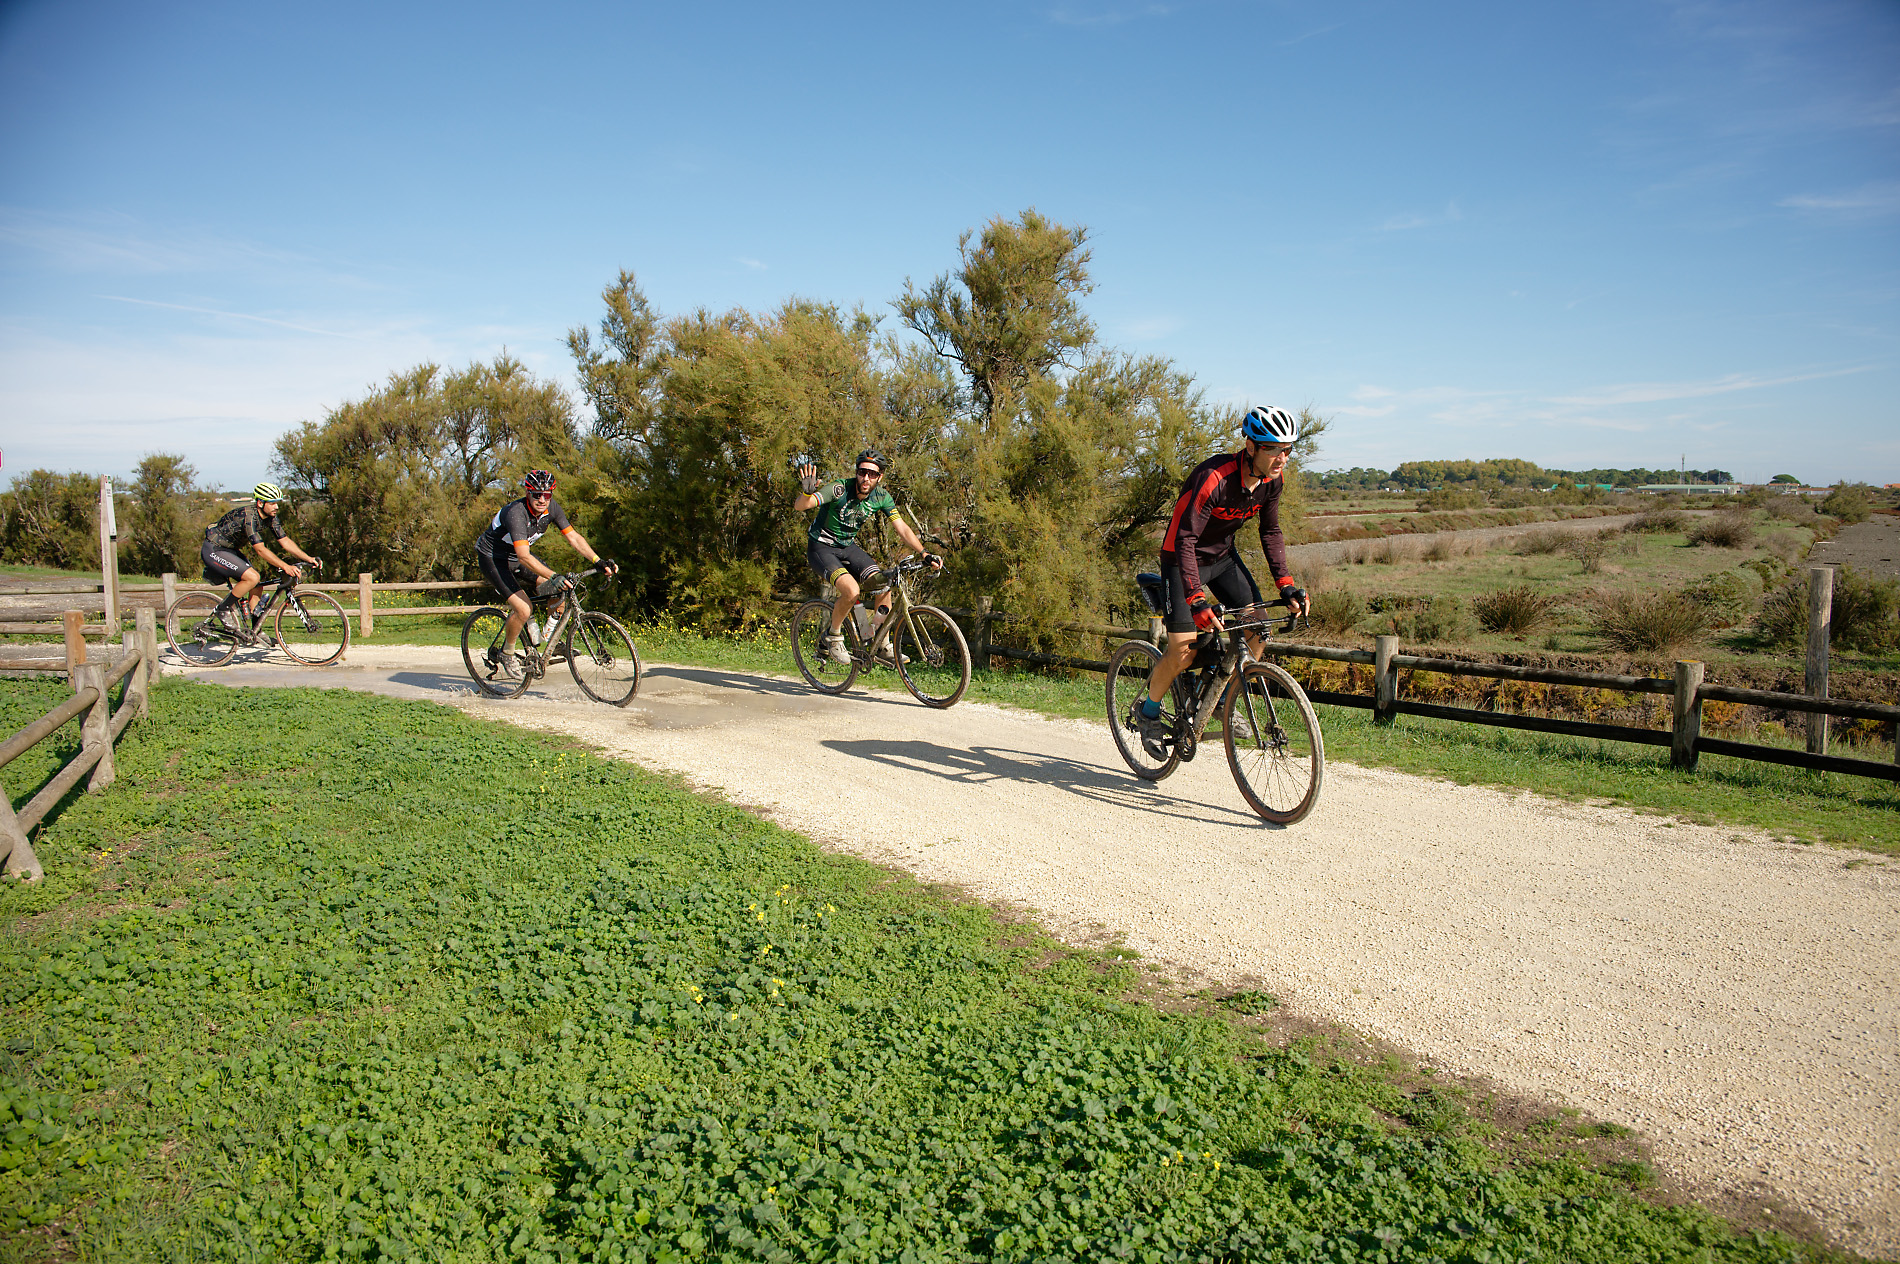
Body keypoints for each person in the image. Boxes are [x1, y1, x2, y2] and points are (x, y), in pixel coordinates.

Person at [1137, 406, 1310, 742]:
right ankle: (1148, 711)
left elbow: (1270, 531)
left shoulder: (1272, 481)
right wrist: (1196, 599)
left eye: (1287, 450)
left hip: (1222, 558)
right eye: (1273, 449)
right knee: (1182, 652)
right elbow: (1185, 539)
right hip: (1181, 558)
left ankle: (1217, 695)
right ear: (1251, 446)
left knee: (1258, 630)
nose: (1282, 458)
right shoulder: (1214, 477)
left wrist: (1286, 585)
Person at [793, 449, 940, 665]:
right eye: (862, 472)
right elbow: (801, 506)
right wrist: (805, 494)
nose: (866, 478)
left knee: (884, 583)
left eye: (872, 474)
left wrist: (923, 552)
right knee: (852, 591)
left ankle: (879, 642)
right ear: (857, 472)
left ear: (880, 477)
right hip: (821, 548)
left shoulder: (881, 497)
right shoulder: (838, 488)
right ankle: (832, 636)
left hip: (847, 547)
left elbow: (902, 528)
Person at [473, 469, 617, 681]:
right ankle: (507, 653)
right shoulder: (516, 513)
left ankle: (549, 639)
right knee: (523, 608)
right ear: (527, 493)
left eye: (547, 495)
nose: (542, 499)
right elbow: (523, 556)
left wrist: (598, 560)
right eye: (536, 494)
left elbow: (574, 538)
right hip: (494, 559)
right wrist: (552, 575)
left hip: (518, 557)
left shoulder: (552, 509)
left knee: (562, 589)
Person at [200, 482, 321, 640]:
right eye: (272, 503)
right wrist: (285, 566)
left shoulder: (270, 518)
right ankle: (222, 610)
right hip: (214, 549)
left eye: (277, 503)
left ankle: (255, 630)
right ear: (260, 503)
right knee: (252, 577)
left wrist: (308, 558)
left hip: (229, 550)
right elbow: (260, 550)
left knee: (257, 584)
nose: (276, 507)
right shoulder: (249, 516)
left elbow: (285, 541)